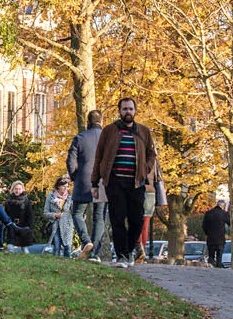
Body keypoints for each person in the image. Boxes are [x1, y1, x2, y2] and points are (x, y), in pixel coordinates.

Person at [88, 97, 157, 269]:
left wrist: (145, 168)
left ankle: (128, 251)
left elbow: (151, 154)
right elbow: (99, 156)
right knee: (117, 219)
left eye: (131, 109)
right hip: (115, 181)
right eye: (125, 109)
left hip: (136, 183)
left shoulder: (143, 131)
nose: (128, 112)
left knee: (137, 220)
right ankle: (121, 256)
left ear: (135, 111)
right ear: (119, 111)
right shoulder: (110, 131)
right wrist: (95, 182)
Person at [66, 111, 106, 261]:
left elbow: (70, 162)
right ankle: (95, 254)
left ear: (87, 122)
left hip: (83, 181)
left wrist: (76, 177)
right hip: (102, 182)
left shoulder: (80, 138)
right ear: (101, 121)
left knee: (77, 213)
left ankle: (86, 241)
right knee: (99, 218)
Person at [45, 176, 75, 256]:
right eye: (63, 186)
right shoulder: (51, 196)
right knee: (56, 248)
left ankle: (68, 267)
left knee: (68, 248)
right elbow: (45, 213)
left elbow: (75, 211)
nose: (66, 188)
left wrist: (82, 215)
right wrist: (55, 215)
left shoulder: (70, 197)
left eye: (67, 186)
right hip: (55, 226)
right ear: (58, 186)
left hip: (67, 225)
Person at [200, 200, 230, 269]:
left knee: (211, 256)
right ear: (223, 206)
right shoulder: (224, 213)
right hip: (220, 239)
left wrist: (207, 233)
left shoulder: (208, 213)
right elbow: (230, 223)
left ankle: (211, 269)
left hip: (210, 238)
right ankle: (219, 269)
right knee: (219, 257)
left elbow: (204, 226)